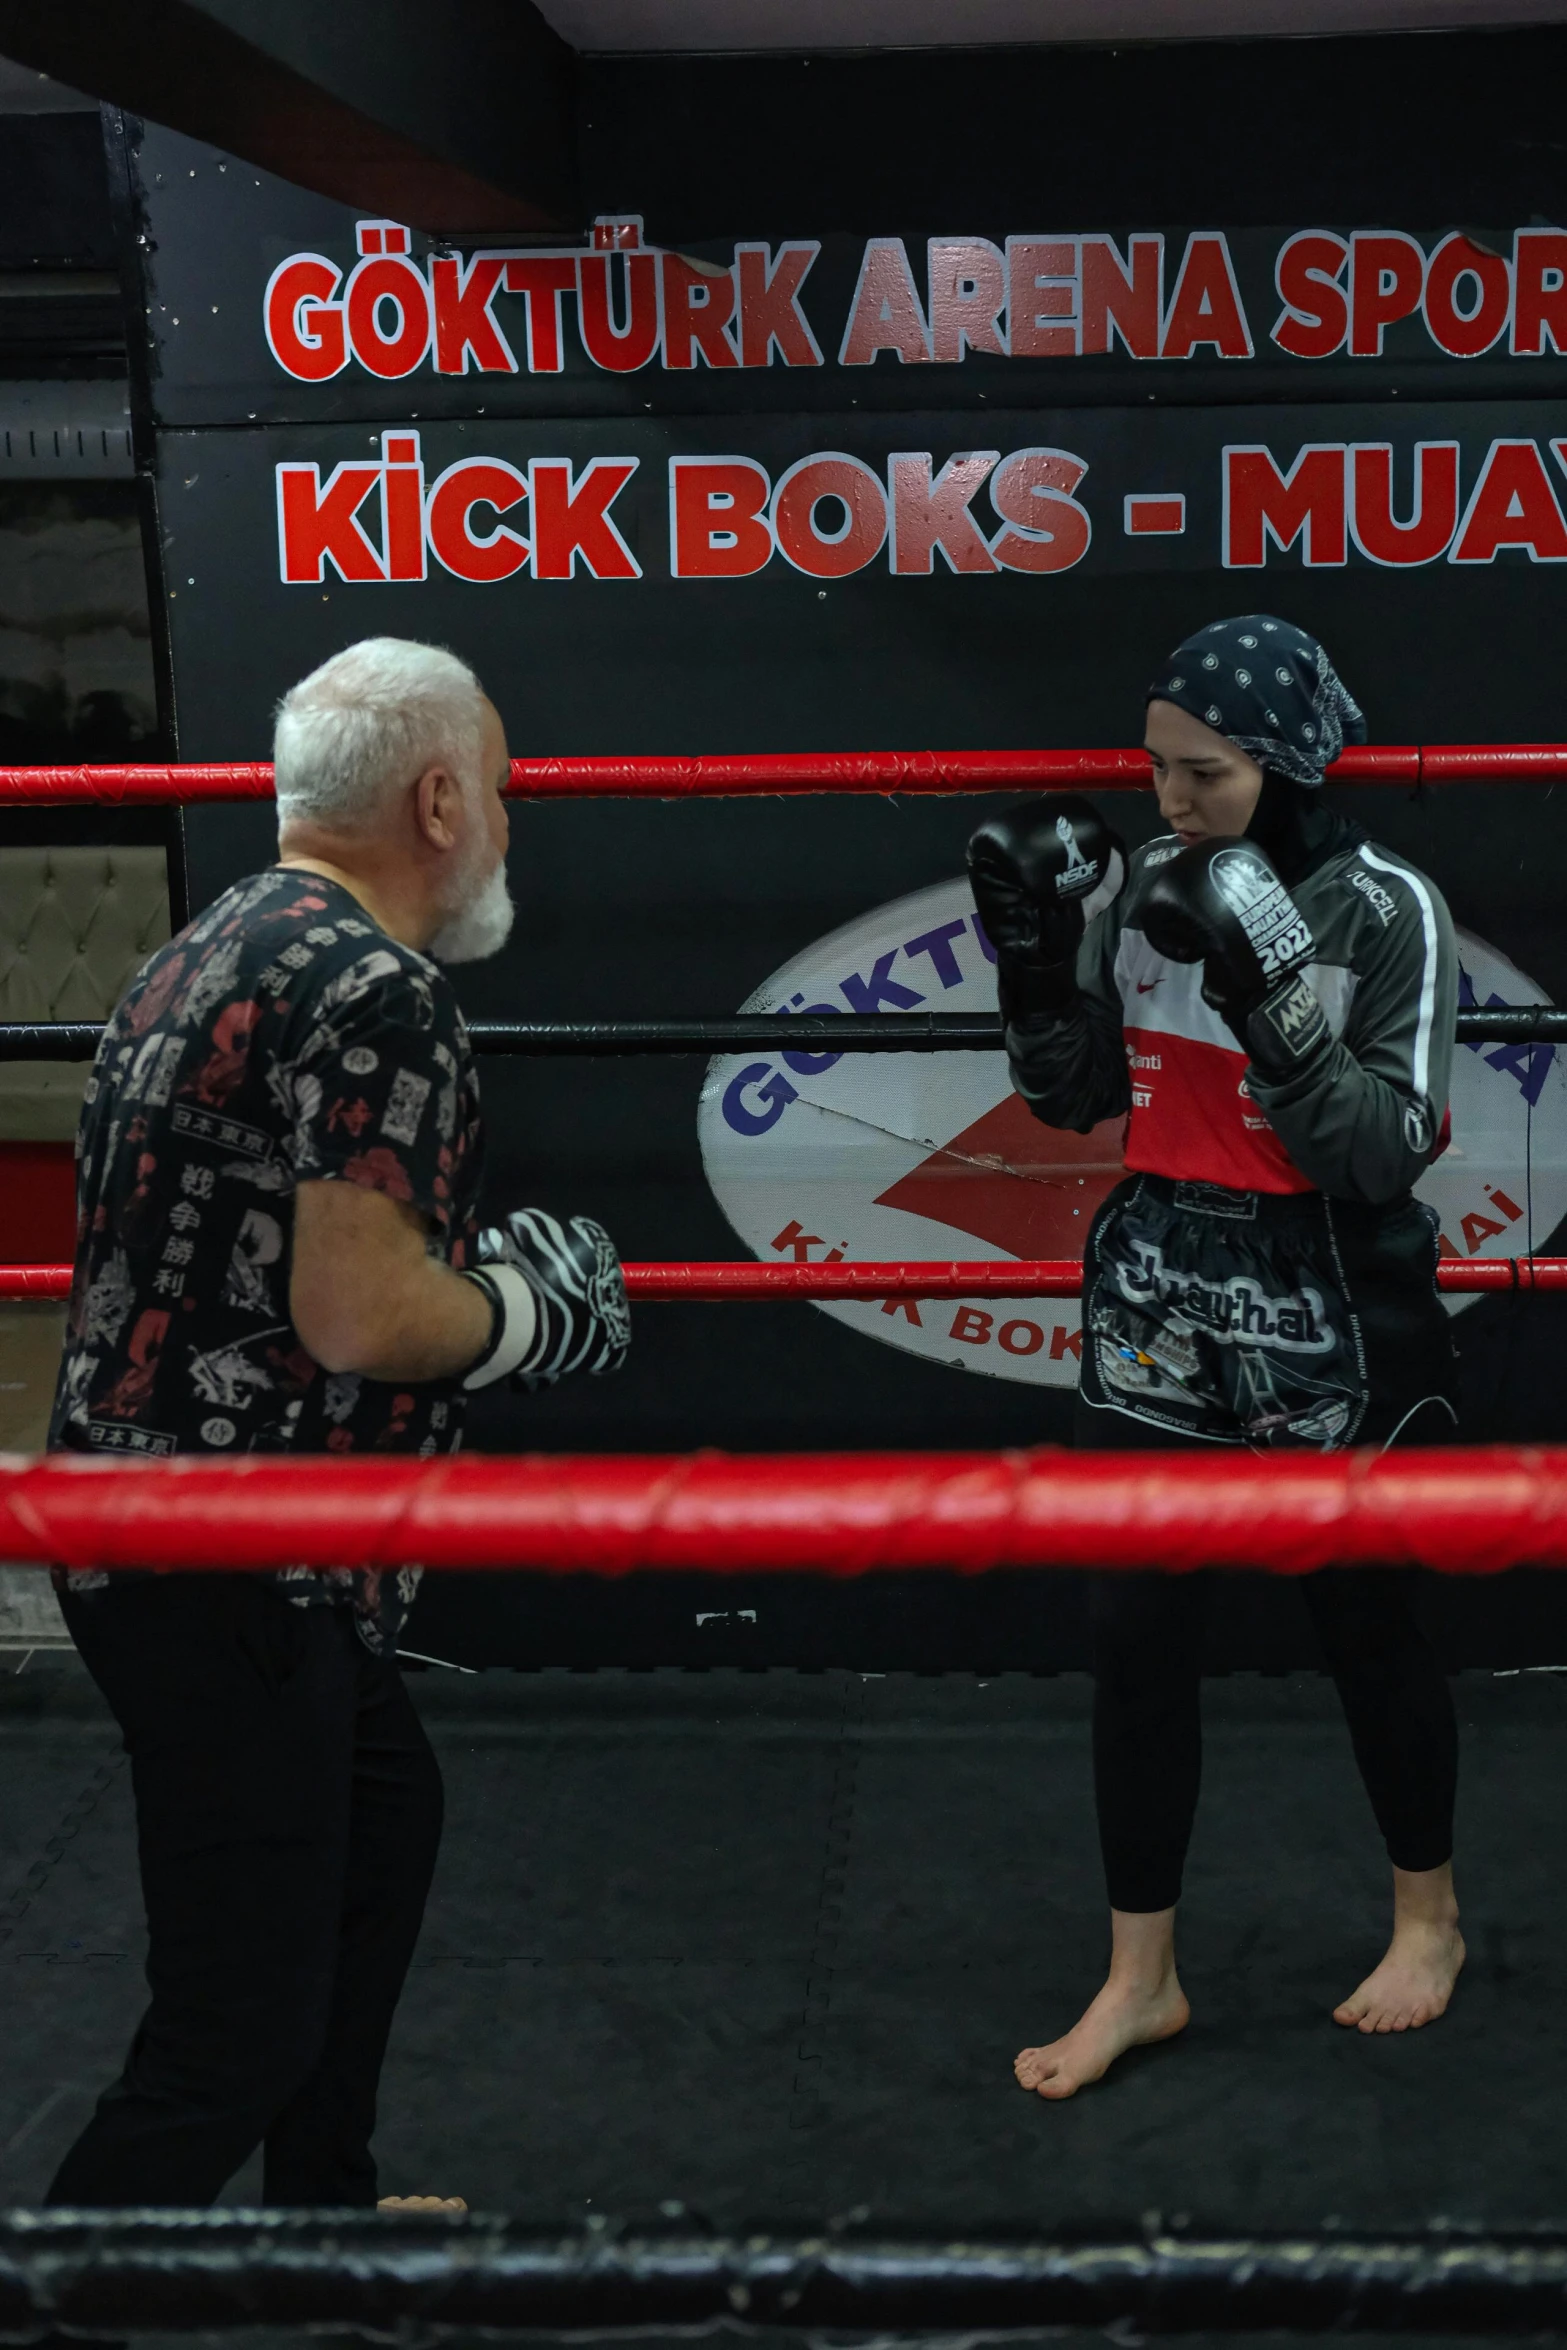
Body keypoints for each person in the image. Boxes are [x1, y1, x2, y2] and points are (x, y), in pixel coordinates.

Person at [44, 637, 631, 2206]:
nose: (507, 821)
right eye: (498, 790)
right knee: (229, 2031)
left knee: (385, 1818)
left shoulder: (211, 942)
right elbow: (362, 1315)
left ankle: (328, 2215)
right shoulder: (383, 994)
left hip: (159, 1539)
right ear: (441, 799)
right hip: (236, 1571)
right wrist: (527, 1314)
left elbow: (264, 1269)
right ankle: (64, 2297)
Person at [967, 614, 1463, 2101]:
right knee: (1135, 1637)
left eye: (1203, 774)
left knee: (1365, 1621)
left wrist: (1277, 997)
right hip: (1161, 1284)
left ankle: (1425, 1922)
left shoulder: (1387, 910)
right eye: (1154, 769)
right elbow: (1075, 1101)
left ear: (1287, 763)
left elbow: (1378, 1154)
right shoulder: (1141, 890)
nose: (1168, 800)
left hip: (1329, 1288)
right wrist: (1041, 964)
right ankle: (1141, 1976)